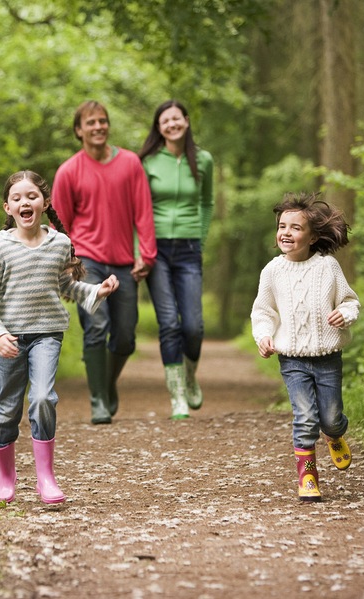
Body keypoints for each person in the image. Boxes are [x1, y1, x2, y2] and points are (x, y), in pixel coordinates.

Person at [0, 170, 120, 504]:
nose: (24, 202)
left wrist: (97, 291)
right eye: (17, 198)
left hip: (47, 334)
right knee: (7, 409)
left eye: (31, 196)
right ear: (7, 207)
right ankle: (6, 476)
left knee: (42, 398)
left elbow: (65, 286)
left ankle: (45, 477)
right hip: (10, 338)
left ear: (43, 203)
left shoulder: (59, 243)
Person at [52, 100, 157, 425]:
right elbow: (59, 224)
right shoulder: (69, 171)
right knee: (96, 327)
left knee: (125, 335)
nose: (98, 126)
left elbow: (143, 211)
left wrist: (147, 255)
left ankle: (106, 384)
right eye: (91, 122)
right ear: (78, 130)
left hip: (124, 262)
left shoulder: (129, 163)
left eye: (102, 121)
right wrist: (67, 266)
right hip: (87, 263)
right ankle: (98, 400)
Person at [250, 192, 360, 502]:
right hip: (292, 359)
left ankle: (335, 435)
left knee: (331, 418)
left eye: (295, 227)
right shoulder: (272, 272)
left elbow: (350, 300)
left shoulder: (327, 267)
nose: (286, 232)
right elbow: (263, 312)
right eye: (282, 226)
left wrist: (345, 314)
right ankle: (307, 475)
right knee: (305, 417)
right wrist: (264, 336)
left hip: (327, 358)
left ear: (312, 236)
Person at [138, 99, 214, 420]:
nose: (171, 124)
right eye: (164, 121)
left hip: (189, 249)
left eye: (176, 118)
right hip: (156, 250)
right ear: (158, 127)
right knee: (169, 323)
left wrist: (200, 235)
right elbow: (138, 209)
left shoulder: (204, 160)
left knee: (193, 326)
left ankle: (190, 375)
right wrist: (139, 250)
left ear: (186, 120)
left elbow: (207, 202)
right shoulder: (149, 162)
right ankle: (177, 396)